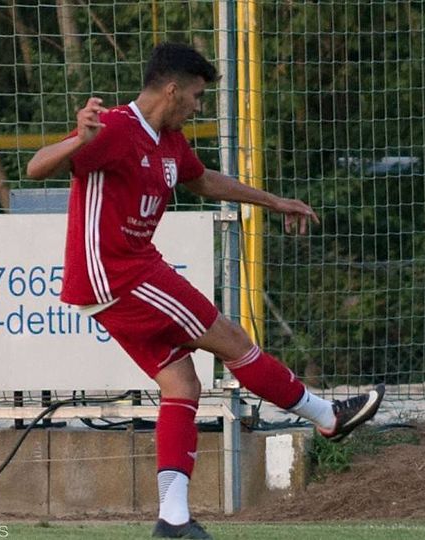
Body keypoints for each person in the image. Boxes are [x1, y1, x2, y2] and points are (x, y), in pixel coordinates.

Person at [27, 42, 384, 540]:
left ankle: (173, 519)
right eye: (196, 96)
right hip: (116, 275)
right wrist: (78, 140)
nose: (198, 106)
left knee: (182, 386)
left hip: (126, 275)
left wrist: (274, 201)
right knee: (230, 338)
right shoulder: (114, 128)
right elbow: (36, 166)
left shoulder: (169, 139)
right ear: (172, 90)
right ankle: (326, 416)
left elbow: (202, 181)